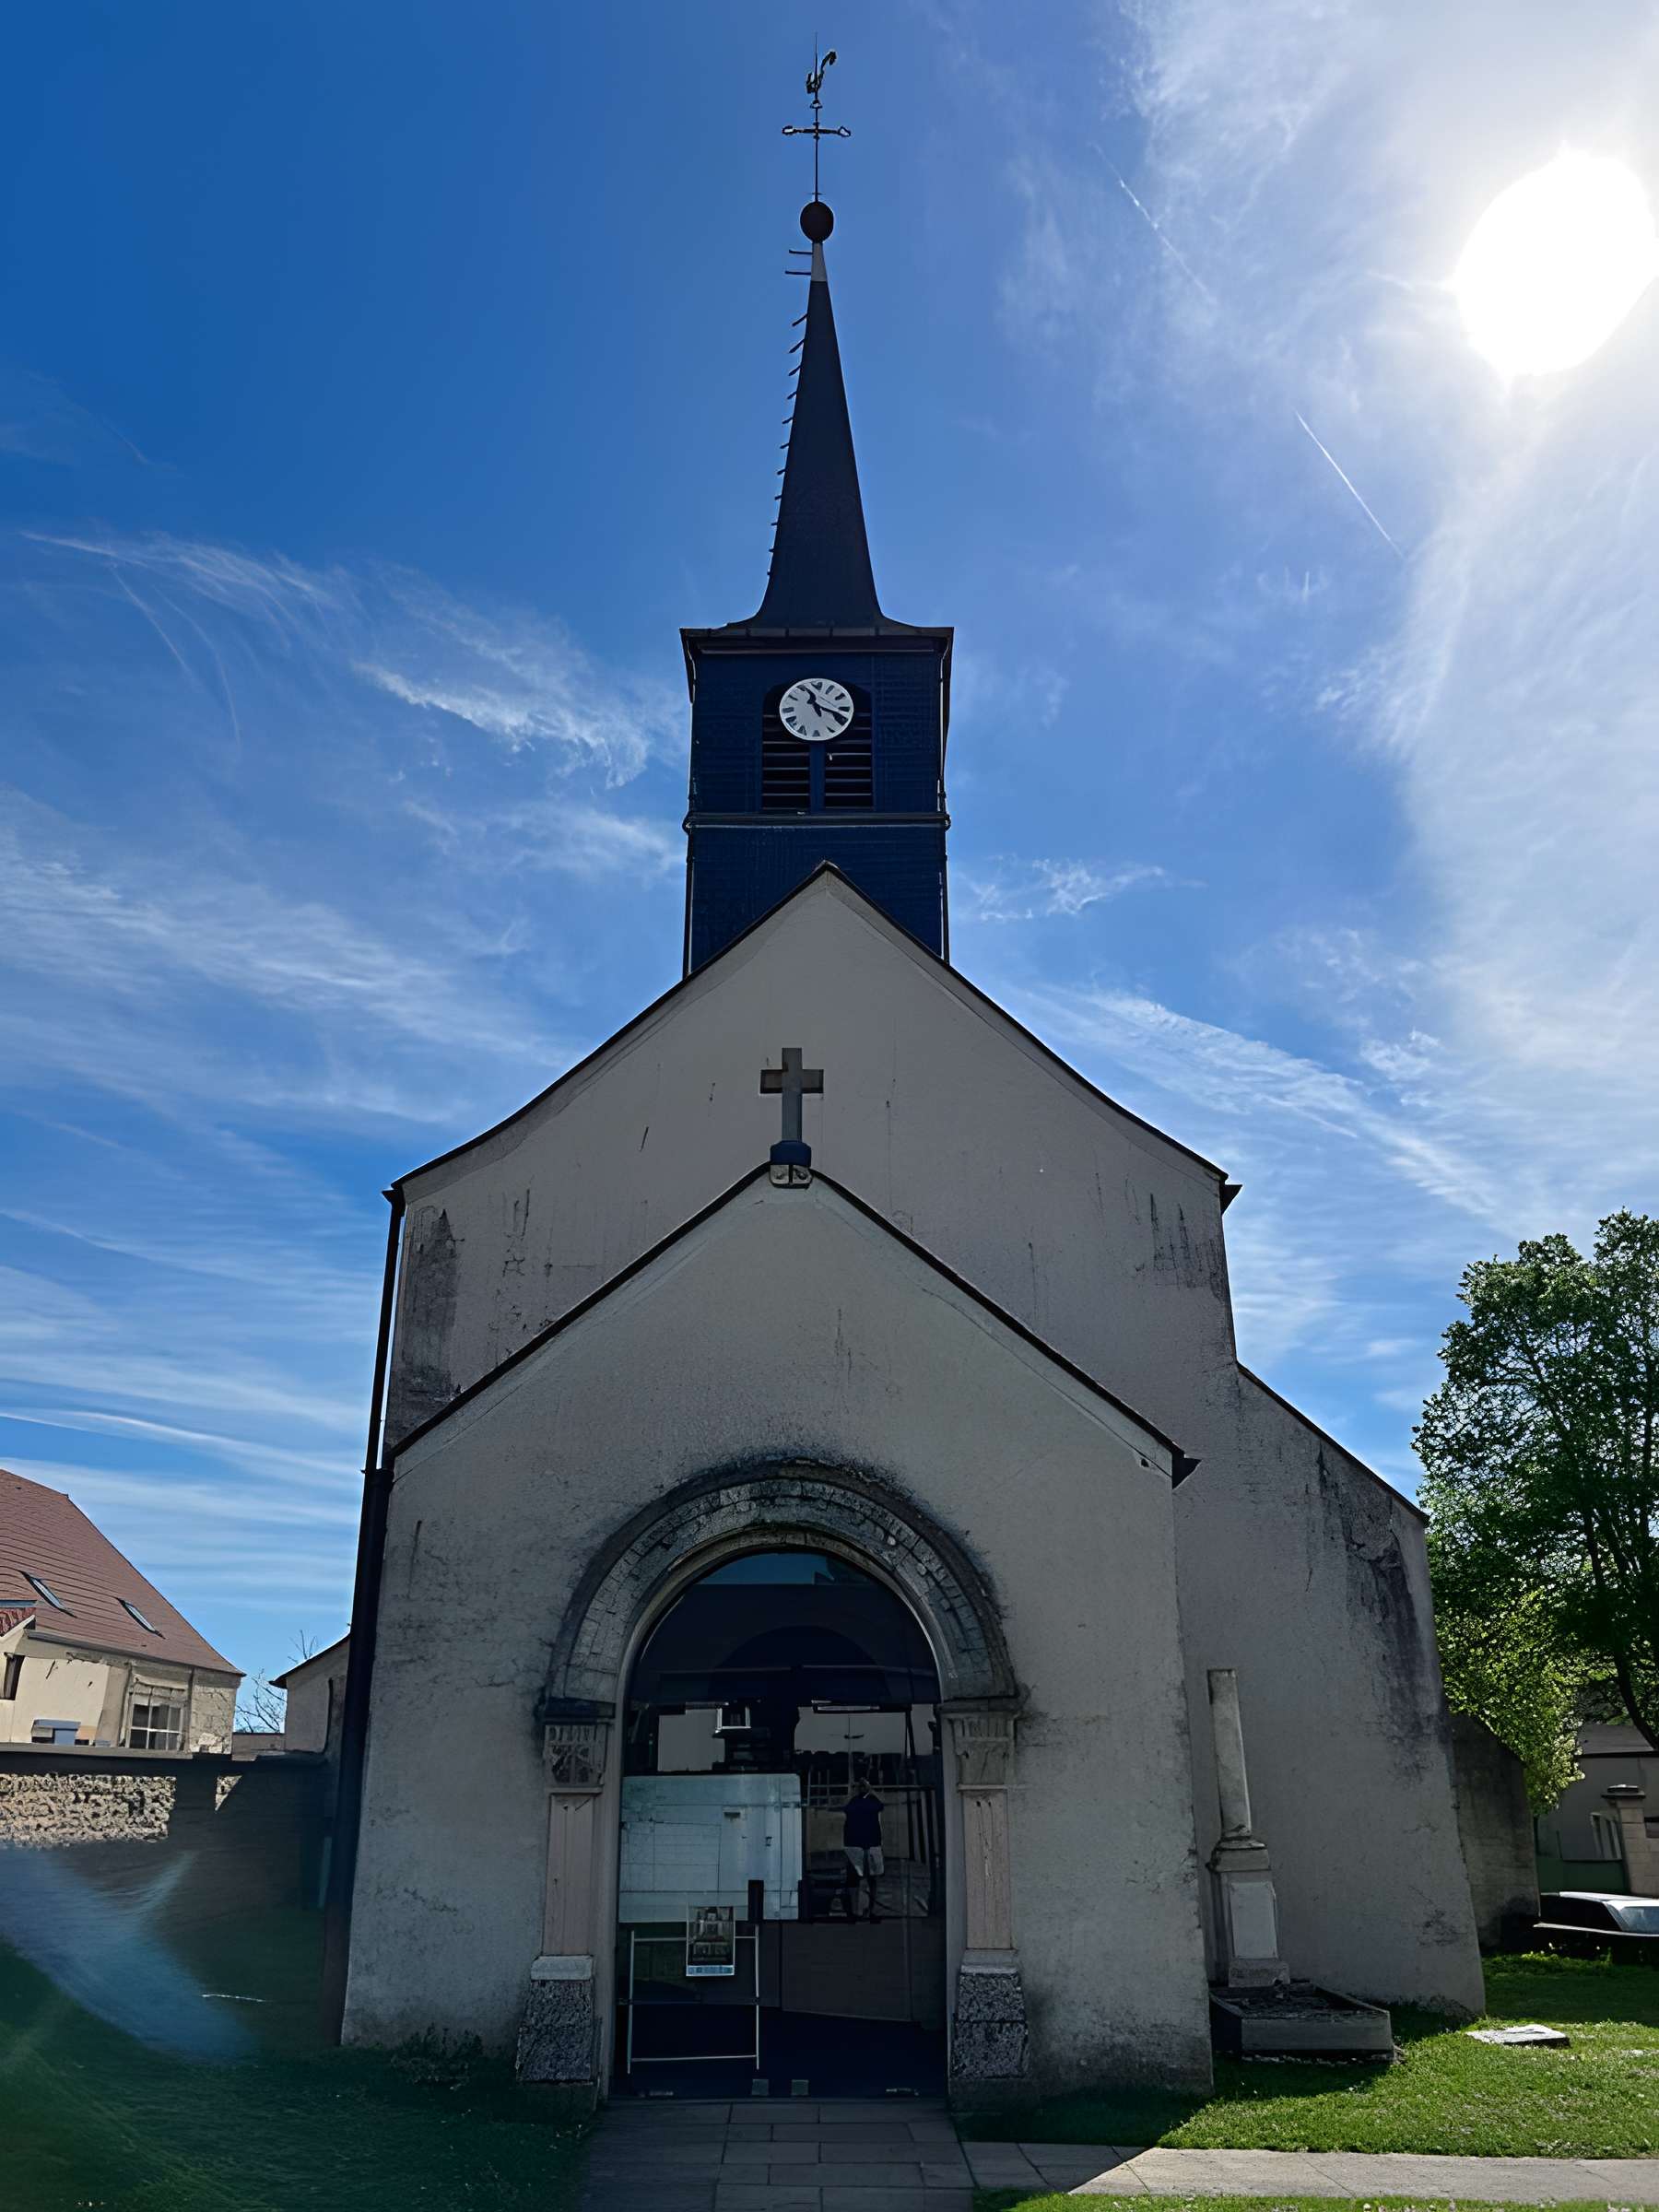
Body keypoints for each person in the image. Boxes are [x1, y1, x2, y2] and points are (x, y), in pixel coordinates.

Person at [841, 1778, 885, 1922]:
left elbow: (881, 1805)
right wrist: (856, 1791)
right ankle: (856, 1911)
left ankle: (868, 1910)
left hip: (867, 1844)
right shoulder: (855, 1802)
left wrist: (869, 1790)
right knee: (857, 1880)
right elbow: (844, 1806)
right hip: (857, 1845)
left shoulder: (871, 1801)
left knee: (871, 1879)